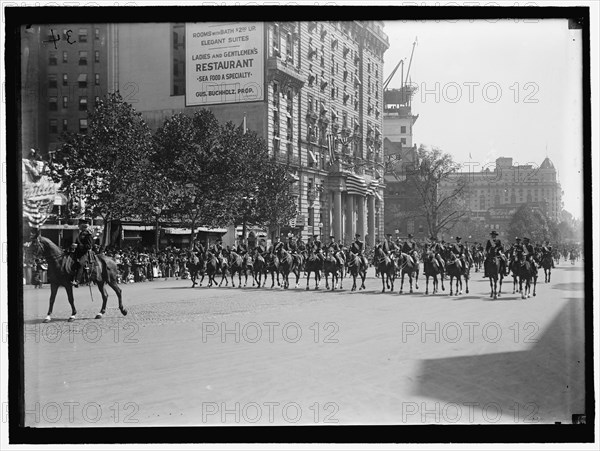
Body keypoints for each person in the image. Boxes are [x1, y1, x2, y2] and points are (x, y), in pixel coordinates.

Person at [73, 220, 95, 286]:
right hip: (78, 252)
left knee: (80, 264)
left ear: (82, 226)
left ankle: (77, 280)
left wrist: (78, 246)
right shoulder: (81, 233)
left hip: (85, 253)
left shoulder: (88, 234)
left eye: (79, 225)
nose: (78, 226)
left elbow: (89, 246)